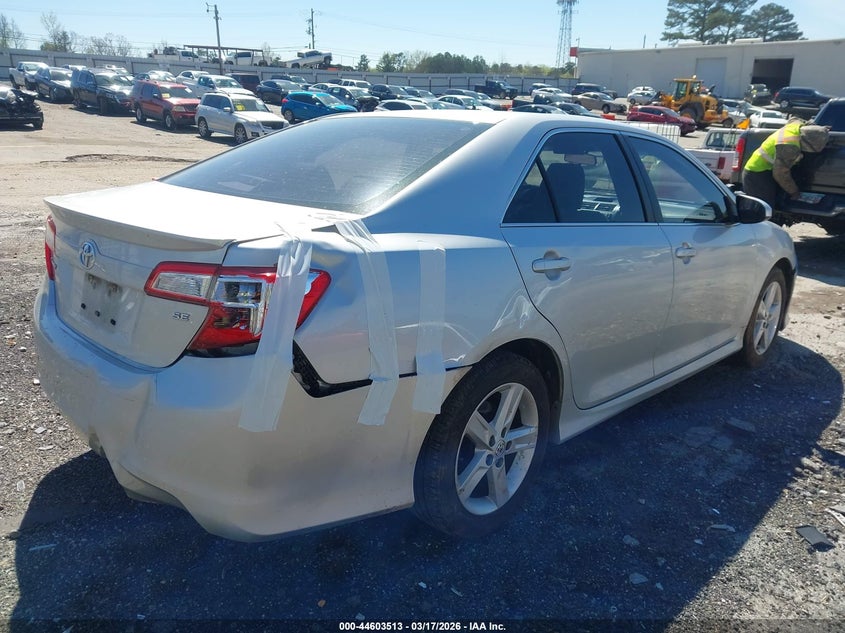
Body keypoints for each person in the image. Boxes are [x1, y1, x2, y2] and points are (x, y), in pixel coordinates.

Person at [742, 119, 831, 210]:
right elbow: (780, 174)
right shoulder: (789, 146)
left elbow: (795, 119)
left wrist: (819, 129)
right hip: (757, 173)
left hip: (763, 169)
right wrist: (794, 191)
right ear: (807, 144)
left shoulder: (796, 126)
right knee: (763, 209)